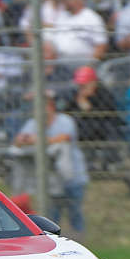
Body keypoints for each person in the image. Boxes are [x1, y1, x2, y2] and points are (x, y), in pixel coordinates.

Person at [14, 89, 88, 234]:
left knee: (75, 212)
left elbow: (64, 138)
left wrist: (37, 139)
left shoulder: (65, 120)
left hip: (72, 177)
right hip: (51, 179)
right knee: (52, 217)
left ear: (51, 106)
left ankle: (79, 239)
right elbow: (18, 141)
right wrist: (26, 139)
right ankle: (54, 240)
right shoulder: (33, 123)